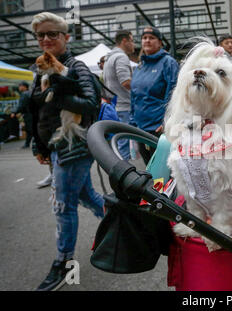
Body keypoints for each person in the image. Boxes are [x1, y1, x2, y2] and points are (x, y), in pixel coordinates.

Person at [29, 12, 105, 291]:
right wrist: (39, 144)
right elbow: (37, 110)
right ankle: (119, 224)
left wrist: (60, 91)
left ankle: (64, 263)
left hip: (75, 145)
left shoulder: (77, 67)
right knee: (86, 195)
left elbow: (91, 104)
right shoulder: (39, 70)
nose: (46, 39)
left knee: (63, 206)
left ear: (65, 37)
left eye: (53, 34)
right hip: (56, 144)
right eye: (41, 35)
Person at [130, 27, 179, 165]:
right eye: (144, 38)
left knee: (162, 171)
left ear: (160, 43)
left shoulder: (168, 63)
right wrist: (132, 122)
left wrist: (166, 121)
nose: (147, 41)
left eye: (151, 38)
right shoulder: (140, 67)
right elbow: (134, 96)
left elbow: (174, 94)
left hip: (158, 129)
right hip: (140, 129)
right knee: (149, 171)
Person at [103, 30, 135, 160]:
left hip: (115, 106)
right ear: (124, 41)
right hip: (124, 106)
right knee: (124, 145)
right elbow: (126, 81)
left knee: (117, 143)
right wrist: (142, 89)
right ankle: (124, 176)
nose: (134, 44)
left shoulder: (109, 57)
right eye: (132, 40)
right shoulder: (121, 57)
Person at [10, 82, 32, 149]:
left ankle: (28, 144)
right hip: (33, 114)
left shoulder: (24, 94)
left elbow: (21, 106)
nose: (19, 88)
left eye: (20, 86)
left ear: (24, 87)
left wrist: (14, 112)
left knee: (30, 130)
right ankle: (28, 144)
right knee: (31, 130)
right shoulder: (30, 92)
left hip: (29, 115)